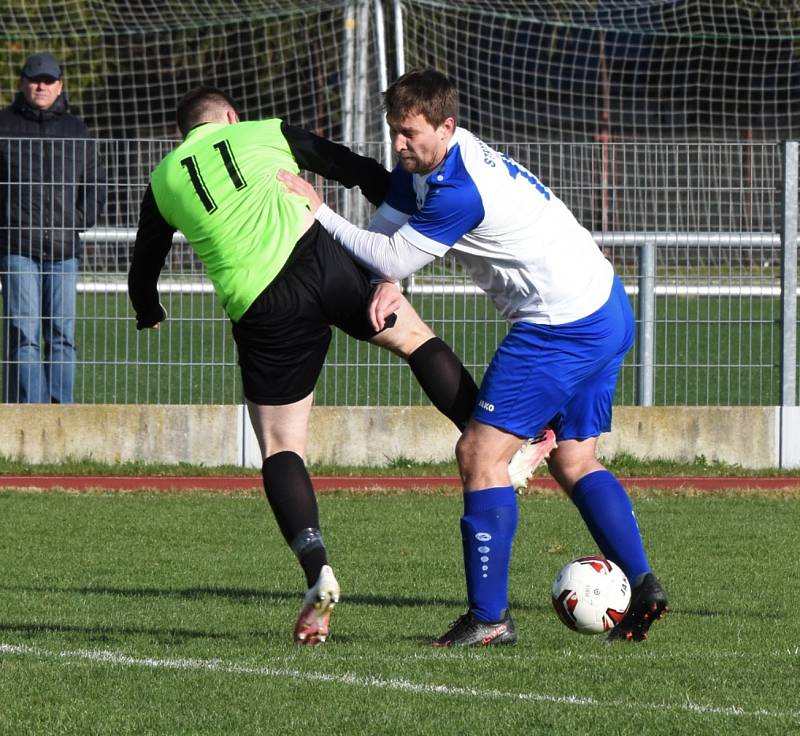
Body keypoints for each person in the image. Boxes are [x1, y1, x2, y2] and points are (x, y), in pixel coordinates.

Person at [128, 86, 550, 646]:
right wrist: (399, 205)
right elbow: (347, 165)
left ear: (185, 134)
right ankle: (506, 445)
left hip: (261, 304)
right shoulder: (262, 131)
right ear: (231, 117)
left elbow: (145, 257)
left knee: (281, 446)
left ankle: (317, 568)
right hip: (321, 258)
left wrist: (147, 307)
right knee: (416, 340)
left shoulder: (162, 181)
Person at [278, 68, 668, 646]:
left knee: (479, 452)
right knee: (576, 461)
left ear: (447, 125)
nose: (398, 145)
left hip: (562, 327)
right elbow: (389, 237)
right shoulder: (435, 163)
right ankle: (643, 585)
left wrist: (318, 212)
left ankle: (490, 619)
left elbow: (388, 250)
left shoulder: (459, 187)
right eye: (394, 131)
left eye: (409, 132)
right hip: (606, 306)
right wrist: (388, 273)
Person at [0, 52, 107, 403]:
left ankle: (61, 411)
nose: (41, 86)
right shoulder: (3, 125)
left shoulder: (78, 131)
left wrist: (76, 221)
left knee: (62, 334)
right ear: (22, 83)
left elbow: (95, 185)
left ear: (60, 85)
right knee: (24, 334)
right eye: (34, 79)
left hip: (64, 251)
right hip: (17, 249)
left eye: (48, 80)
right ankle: (31, 413)